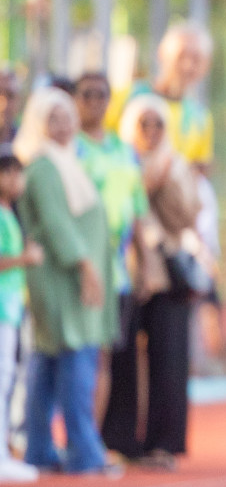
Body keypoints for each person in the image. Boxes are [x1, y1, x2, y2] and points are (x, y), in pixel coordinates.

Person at [14, 87, 118, 476]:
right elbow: (57, 226)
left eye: (65, 116)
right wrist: (85, 267)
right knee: (74, 363)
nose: (62, 125)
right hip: (62, 280)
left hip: (73, 277)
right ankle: (84, 452)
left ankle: (41, 447)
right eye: (52, 118)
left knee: (51, 362)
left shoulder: (68, 160)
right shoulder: (41, 166)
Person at [101, 94, 202, 469]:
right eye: (143, 124)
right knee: (122, 356)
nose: (151, 132)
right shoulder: (118, 162)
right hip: (126, 270)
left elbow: (189, 215)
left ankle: (165, 441)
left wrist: (162, 183)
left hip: (169, 272)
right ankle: (120, 439)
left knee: (169, 358)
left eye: (157, 124)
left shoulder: (177, 164)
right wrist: (142, 184)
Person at [73, 72, 150, 428]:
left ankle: (90, 439)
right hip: (75, 264)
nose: (94, 102)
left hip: (115, 270)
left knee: (103, 356)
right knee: (74, 355)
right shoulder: (70, 147)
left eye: (101, 95)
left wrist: (145, 263)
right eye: (86, 94)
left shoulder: (123, 150)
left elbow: (136, 212)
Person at [107, 21, 215, 169]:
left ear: (206, 65)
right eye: (181, 56)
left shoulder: (200, 118)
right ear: (162, 55)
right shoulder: (125, 96)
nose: (188, 65)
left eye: (196, 59)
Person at [0, 151, 43, 482]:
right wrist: (25, 258)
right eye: (9, 174)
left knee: (8, 378)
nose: (16, 181)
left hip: (11, 307)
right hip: (2, 306)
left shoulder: (10, 212)